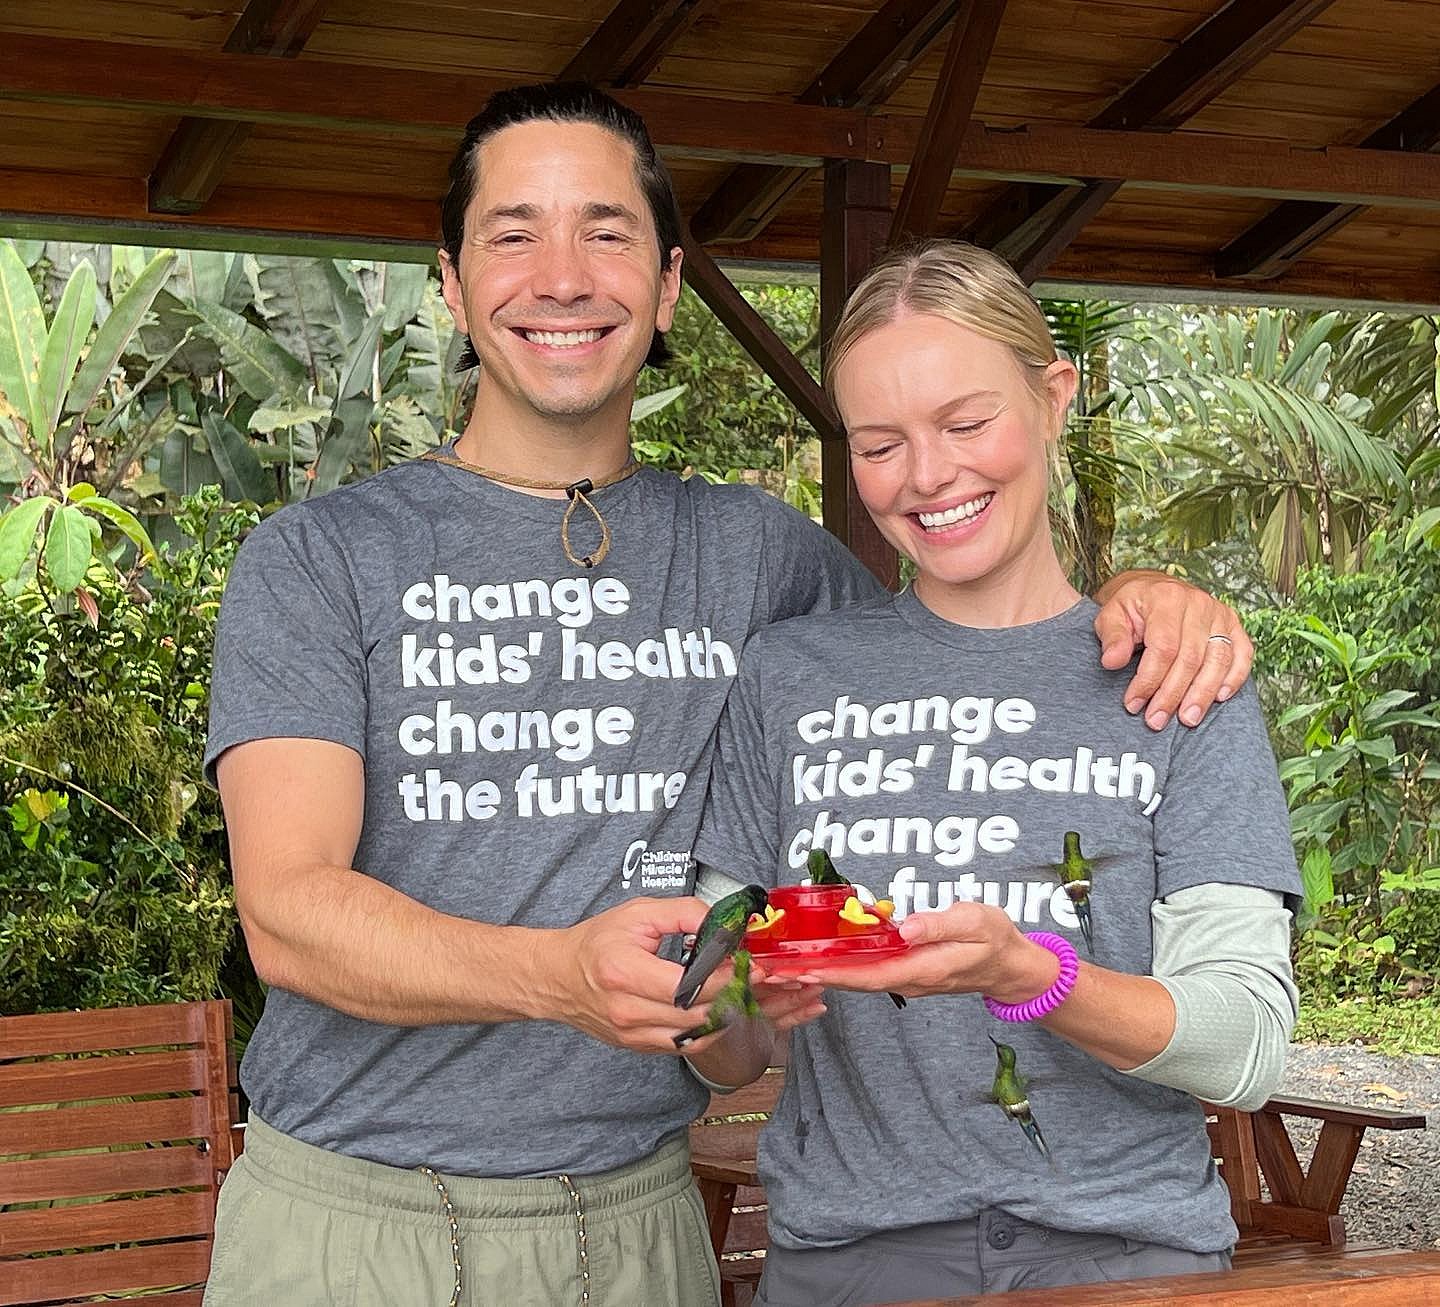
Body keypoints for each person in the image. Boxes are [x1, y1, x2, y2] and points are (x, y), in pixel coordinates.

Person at [202, 83, 1255, 1306]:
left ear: (664, 287)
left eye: (606, 232)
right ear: (450, 281)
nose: (560, 275)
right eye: (512, 233)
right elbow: (286, 912)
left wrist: (1142, 596)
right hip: (352, 1215)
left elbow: (969, 620)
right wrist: (555, 975)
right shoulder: (321, 556)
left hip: (641, 1217)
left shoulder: (769, 563)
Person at [694, 240, 1302, 1307]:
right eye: (880, 443)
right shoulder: (791, 675)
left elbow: (1244, 1045)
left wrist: (1037, 977)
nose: (928, 475)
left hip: (1126, 1253)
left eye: (967, 423)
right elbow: (716, 1044)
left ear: (1054, 395)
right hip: (854, 1260)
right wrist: (751, 988)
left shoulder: (1177, 674)